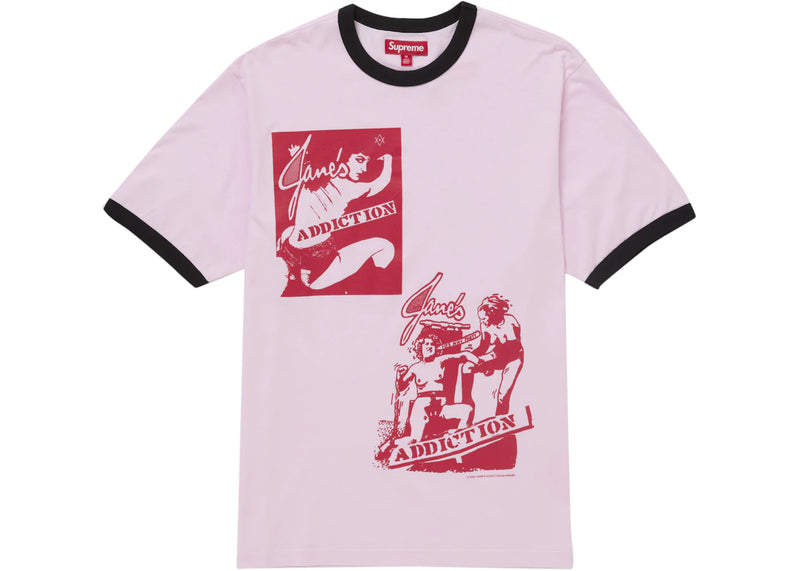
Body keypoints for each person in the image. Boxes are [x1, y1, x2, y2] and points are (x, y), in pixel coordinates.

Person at [277, 140, 395, 291]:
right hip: (319, 261)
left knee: (290, 230)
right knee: (385, 245)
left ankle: (296, 272)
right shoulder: (349, 187)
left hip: (290, 249)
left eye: (366, 162)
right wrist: (388, 159)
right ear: (343, 157)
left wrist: (296, 154)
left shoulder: (310, 175)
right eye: (359, 160)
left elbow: (302, 164)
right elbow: (379, 184)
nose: (364, 169)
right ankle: (381, 287)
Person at [390, 333, 478, 447]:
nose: (429, 346)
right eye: (426, 344)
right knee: (414, 440)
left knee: (468, 410)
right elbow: (401, 386)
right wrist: (398, 377)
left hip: (441, 408)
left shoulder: (441, 361)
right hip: (422, 407)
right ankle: (392, 444)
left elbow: (464, 355)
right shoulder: (415, 368)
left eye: (432, 344)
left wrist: (479, 362)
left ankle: (457, 440)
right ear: (420, 347)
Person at [465, 294, 524, 420]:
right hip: (497, 355)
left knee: (502, 394)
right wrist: (470, 355)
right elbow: (483, 346)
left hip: (513, 358)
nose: (482, 321)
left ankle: (501, 419)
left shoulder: (510, 322)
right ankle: (467, 407)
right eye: (480, 319)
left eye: (484, 318)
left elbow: (511, 350)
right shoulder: (485, 325)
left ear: (492, 314)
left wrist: (488, 360)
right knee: (467, 367)